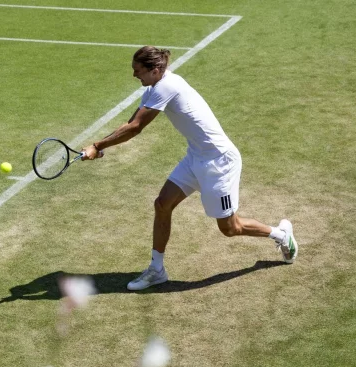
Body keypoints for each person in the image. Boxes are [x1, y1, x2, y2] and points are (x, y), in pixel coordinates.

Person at [81, 46, 298, 291]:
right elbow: (131, 123)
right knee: (162, 204)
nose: (134, 76)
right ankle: (157, 269)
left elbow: (136, 128)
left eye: (138, 71)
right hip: (196, 158)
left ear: (155, 70)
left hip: (219, 163)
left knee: (230, 228)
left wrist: (97, 144)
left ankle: (280, 235)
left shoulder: (167, 86)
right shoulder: (155, 87)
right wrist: (100, 147)